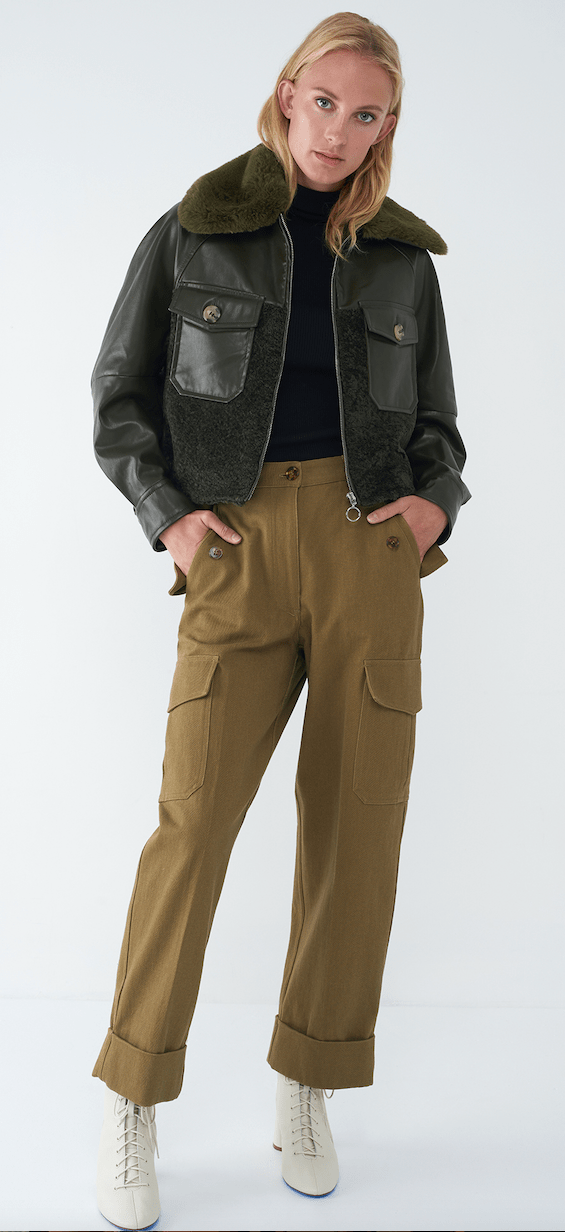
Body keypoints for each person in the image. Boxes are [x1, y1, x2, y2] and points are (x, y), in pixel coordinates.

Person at [91, 11, 470, 1229]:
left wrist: (431, 508)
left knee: (354, 837)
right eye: (325, 102)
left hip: (369, 557)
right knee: (191, 829)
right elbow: (119, 396)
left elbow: (440, 432)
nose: (339, 131)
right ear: (286, 92)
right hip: (238, 550)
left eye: (367, 114)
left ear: (387, 127)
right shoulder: (194, 228)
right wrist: (171, 520)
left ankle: (307, 1078)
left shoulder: (403, 261)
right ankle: (132, 1094)